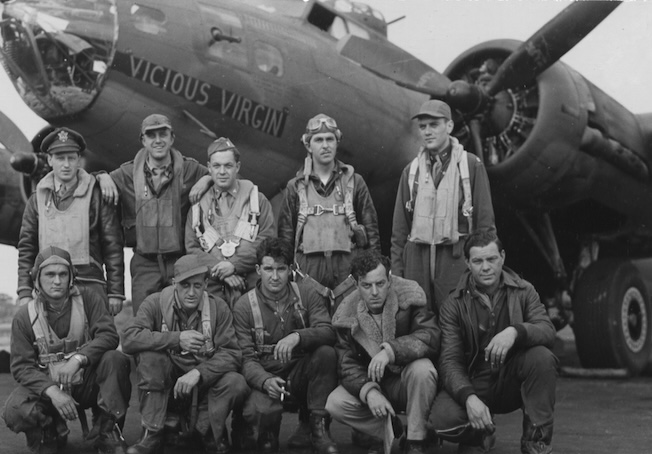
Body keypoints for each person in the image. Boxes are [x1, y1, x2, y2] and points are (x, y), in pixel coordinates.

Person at [428, 230, 558, 454]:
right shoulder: (453, 304)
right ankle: (476, 436)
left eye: (491, 259)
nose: (485, 267)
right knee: (440, 423)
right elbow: (449, 361)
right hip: (476, 381)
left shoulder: (524, 290)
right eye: (477, 261)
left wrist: (515, 332)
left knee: (542, 358)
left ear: (502, 257)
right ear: (467, 263)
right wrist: (469, 398)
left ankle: (537, 444)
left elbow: (547, 330)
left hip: (513, 377)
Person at [3, 246, 132, 454]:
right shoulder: (24, 317)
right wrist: (53, 392)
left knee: (115, 359)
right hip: (50, 385)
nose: (57, 281)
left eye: (63, 274)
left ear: (71, 276)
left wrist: (79, 359)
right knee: (15, 410)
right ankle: (50, 428)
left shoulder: (88, 298)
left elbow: (109, 336)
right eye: (50, 274)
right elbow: (21, 368)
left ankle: (108, 429)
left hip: (86, 381)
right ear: (37, 278)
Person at [121, 255, 249, 454]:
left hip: (202, 384)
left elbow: (232, 353)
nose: (191, 292)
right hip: (167, 384)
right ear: (174, 284)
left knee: (236, 382)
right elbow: (128, 339)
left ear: (206, 284)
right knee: (150, 357)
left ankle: (205, 429)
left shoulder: (219, 308)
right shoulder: (155, 303)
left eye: (197, 285)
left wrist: (199, 372)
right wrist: (176, 339)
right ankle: (152, 433)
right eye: (185, 285)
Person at [326, 250, 440, 454]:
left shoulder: (411, 298)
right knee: (335, 403)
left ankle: (416, 441)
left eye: (380, 283)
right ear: (357, 286)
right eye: (367, 286)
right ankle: (389, 426)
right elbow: (346, 364)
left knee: (423, 369)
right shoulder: (345, 315)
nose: (375, 292)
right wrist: (368, 392)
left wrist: (391, 351)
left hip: (406, 381)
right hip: (374, 383)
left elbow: (430, 337)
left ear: (389, 280)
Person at [232, 238, 341, 454]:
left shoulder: (307, 294)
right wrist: (264, 381)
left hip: (299, 375)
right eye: (268, 269)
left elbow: (328, 331)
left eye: (281, 269)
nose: (275, 276)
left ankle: (318, 429)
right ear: (258, 270)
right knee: (262, 432)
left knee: (326, 354)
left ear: (290, 270)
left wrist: (298, 337)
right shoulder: (244, 306)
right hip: (266, 378)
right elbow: (244, 358)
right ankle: (258, 425)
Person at [95, 114, 213, 314]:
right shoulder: (127, 174)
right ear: (143, 140)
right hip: (145, 263)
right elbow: (88, 183)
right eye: (151, 135)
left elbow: (221, 177)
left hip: (180, 261)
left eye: (162, 134)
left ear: (172, 138)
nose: (158, 140)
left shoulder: (190, 169)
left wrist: (207, 179)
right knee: (144, 321)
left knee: (184, 321)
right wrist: (100, 175)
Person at [391, 100, 495, 314]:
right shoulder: (410, 172)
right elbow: (399, 233)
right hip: (416, 265)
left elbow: (485, 225)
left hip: (456, 264)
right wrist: (399, 276)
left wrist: (486, 272)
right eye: (422, 126)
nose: (427, 132)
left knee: (459, 328)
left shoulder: (471, 166)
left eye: (434, 125)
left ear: (449, 126)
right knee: (419, 330)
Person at [17, 128, 125, 315]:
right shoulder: (36, 199)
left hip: (90, 285)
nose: (66, 164)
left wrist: (116, 292)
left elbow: (112, 245)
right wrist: (25, 291)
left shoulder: (97, 194)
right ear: (50, 160)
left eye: (71, 158)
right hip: (50, 288)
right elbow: (27, 247)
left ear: (79, 159)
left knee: (98, 342)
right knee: (53, 343)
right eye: (60, 158)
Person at [278, 114, 380, 310]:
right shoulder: (295, 187)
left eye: (330, 139)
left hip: (348, 270)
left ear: (337, 142)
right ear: (308, 145)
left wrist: (373, 271)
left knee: (351, 327)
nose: (325, 145)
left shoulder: (354, 182)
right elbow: (285, 239)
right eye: (318, 140)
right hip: (308, 272)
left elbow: (372, 233)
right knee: (313, 328)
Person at [185, 137, 275, 307]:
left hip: (252, 285)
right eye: (217, 166)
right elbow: (192, 248)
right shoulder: (198, 208)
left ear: (237, 167)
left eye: (228, 166)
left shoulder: (257, 200)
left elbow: (267, 240)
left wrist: (234, 266)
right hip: (213, 288)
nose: (222, 172)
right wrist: (222, 269)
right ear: (209, 168)